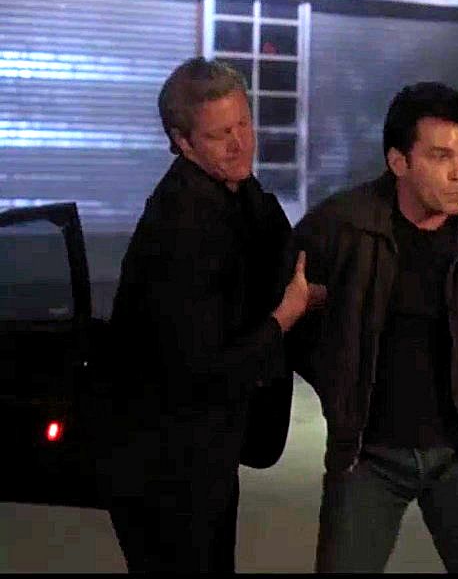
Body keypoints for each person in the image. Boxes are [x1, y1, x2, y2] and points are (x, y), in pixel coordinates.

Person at [286, 82, 458, 573]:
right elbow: (291, 317)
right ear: (399, 161)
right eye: (441, 156)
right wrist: (338, 382)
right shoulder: (342, 226)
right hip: (368, 454)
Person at [104, 57, 324, 572]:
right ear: (183, 142)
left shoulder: (236, 191)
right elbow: (205, 368)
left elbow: (282, 247)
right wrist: (285, 316)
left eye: (243, 123)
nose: (239, 143)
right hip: (161, 461)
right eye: (220, 134)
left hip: (205, 448)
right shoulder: (181, 226)